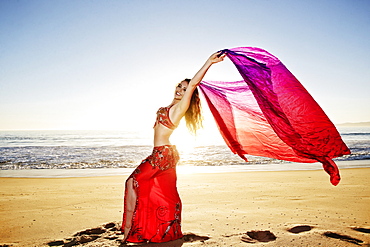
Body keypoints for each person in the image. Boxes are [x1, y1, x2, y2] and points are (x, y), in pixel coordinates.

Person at [121, 51, 225, 243]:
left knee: (132, 182)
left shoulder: (179, 109)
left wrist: (208, 62)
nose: (180, 89)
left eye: (184, 89)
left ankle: (130, 229)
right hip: (164, 153)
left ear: (189, 94)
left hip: (162, 155)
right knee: (163, 192)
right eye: (179, 86)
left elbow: (194, 83)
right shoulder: (169, 107)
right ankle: (165, 230)